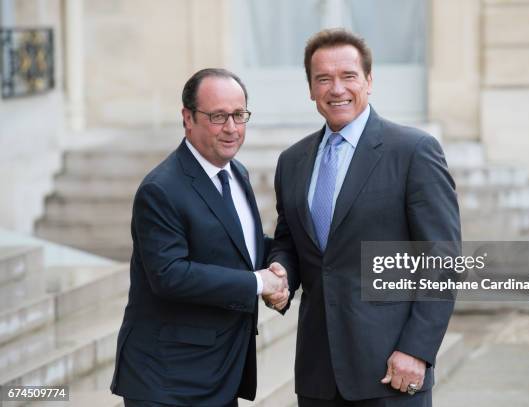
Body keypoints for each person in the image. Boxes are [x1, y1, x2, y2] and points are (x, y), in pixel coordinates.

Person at [269, 29, 461, 407]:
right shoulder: (291, 162)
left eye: (348, 76)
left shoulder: (413, 152)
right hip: (317, 373)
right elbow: (289, 242)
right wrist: (280, 272)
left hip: (392, 368)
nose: (336, 88)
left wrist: (417, 349)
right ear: (310, 89)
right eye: (323, 78)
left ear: (369, 81)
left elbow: (442, 260)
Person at [110, 68, 288, 407]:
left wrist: (280, 266)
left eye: (239, 115)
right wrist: (257, 283)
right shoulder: (160, 189)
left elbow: (245, 246)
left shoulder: (236, 172)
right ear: (187, 118)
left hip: (219, 373)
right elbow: (170, 276)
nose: (232, 128)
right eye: (218, 117)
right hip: (168, 380)